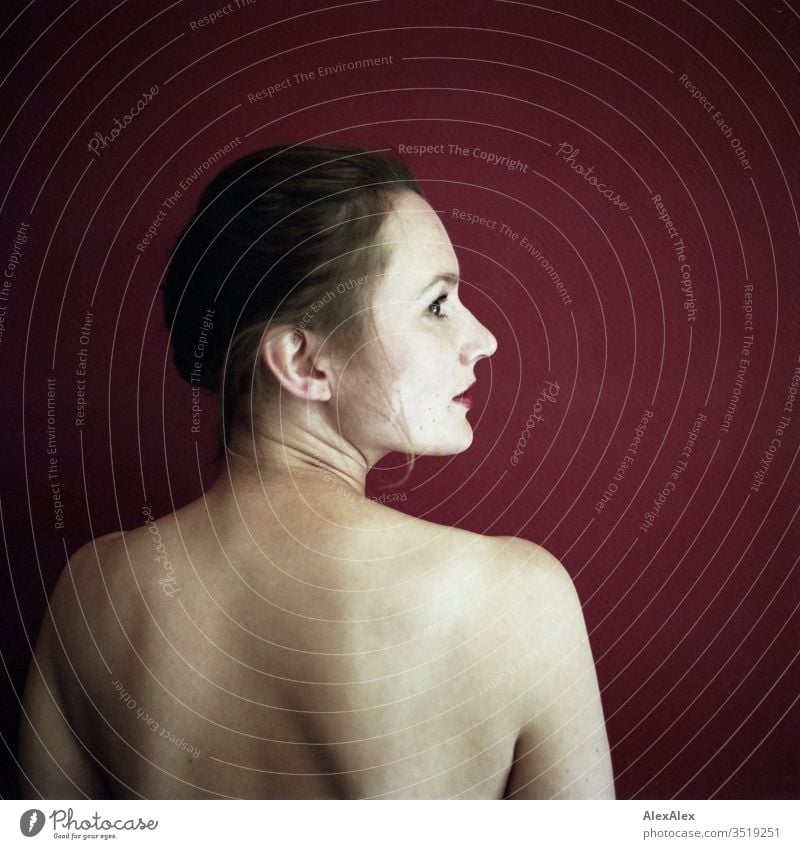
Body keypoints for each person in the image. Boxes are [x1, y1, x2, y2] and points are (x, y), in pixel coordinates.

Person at [19, 144, 615, 799]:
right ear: (302, 361)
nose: (483, 338)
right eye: (437, 304)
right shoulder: (514, 598)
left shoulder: (89, 595)